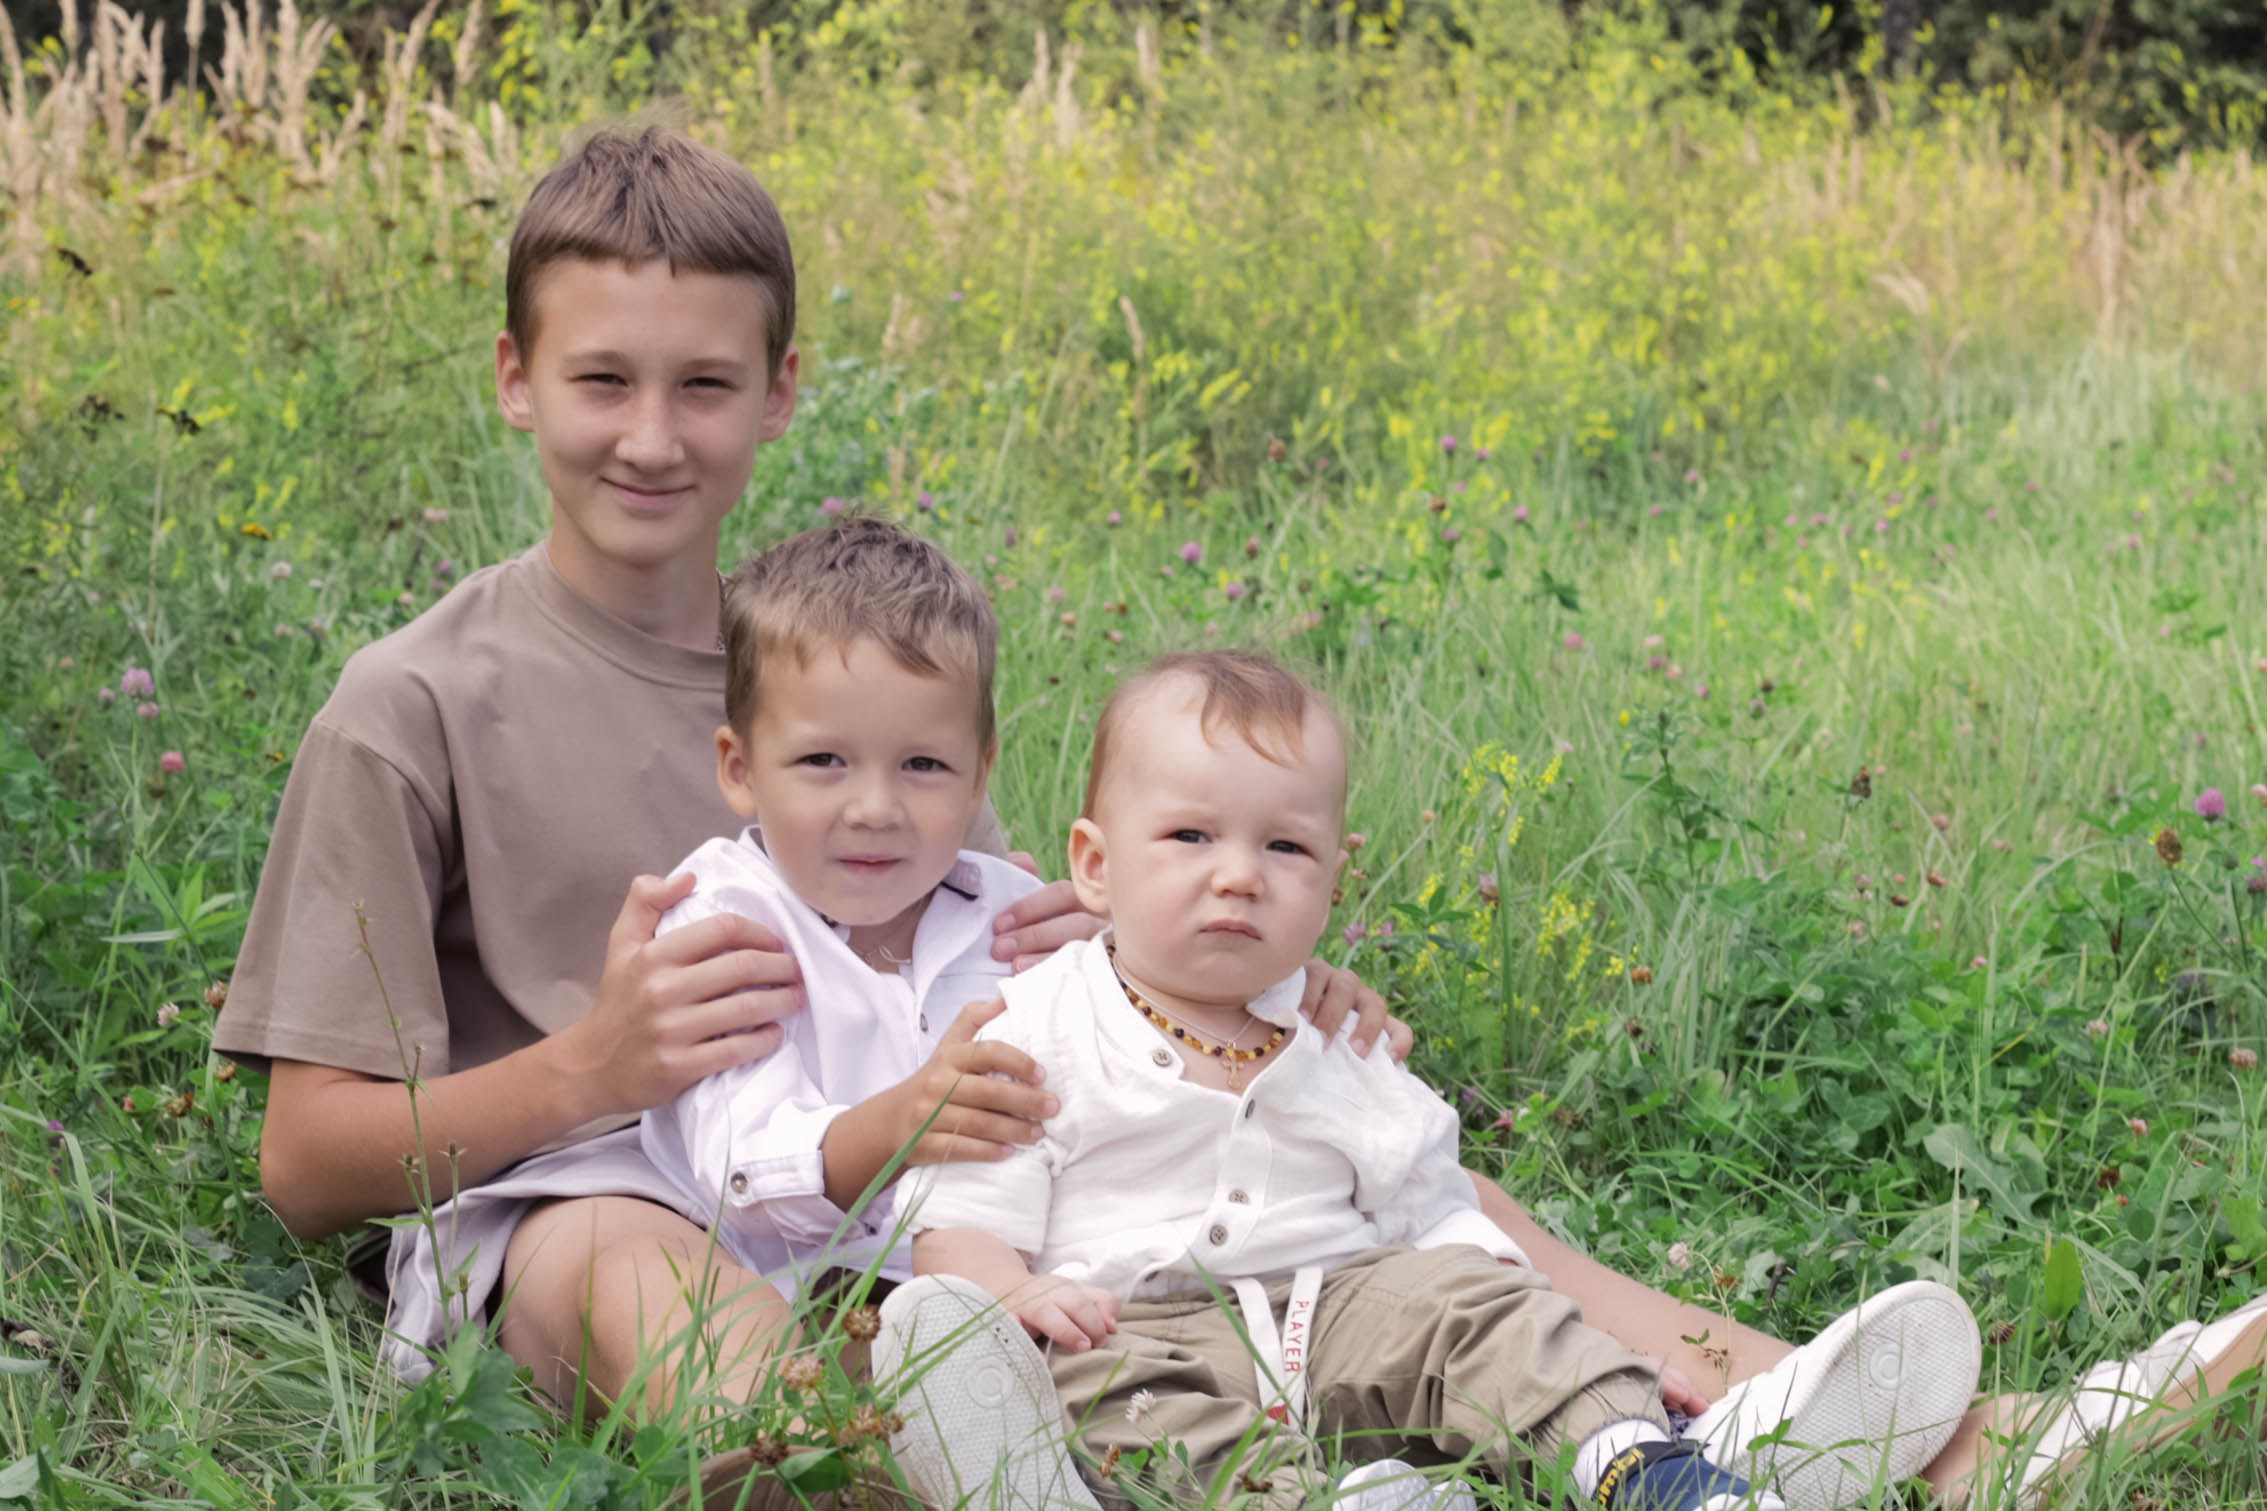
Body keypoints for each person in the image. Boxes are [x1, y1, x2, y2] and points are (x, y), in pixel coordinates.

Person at [210, 127, 1391, 1507]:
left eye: (704, 384)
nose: (651, 436)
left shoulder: (847, 673)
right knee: (664, 1292)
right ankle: (904, 1471)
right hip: (581, 1202)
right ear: (516, 378)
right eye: (602, 378)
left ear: (775, 394)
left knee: (1318, 1147)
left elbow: (1003, 969)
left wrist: (1232, 990)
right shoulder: (411, 702)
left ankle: (1630, 1396)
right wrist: (589, 1068)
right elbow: (303, 1165)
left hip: (898, 1205)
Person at [905, 650, 1808, 1510]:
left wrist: (1545, 1333)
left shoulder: (1337, 1031)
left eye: (1285, 848)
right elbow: (960, 1225)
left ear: (1332, 883)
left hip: (1343, 1316)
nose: (1238, 875)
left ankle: (1637, 1457)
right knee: (1092, 1386)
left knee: (1472, 1306)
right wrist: (1019, 1293)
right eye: (1189, 835)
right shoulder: (1039, 1025)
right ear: (1096, 865)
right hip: (1137, 1331)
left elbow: (1437, 1212)